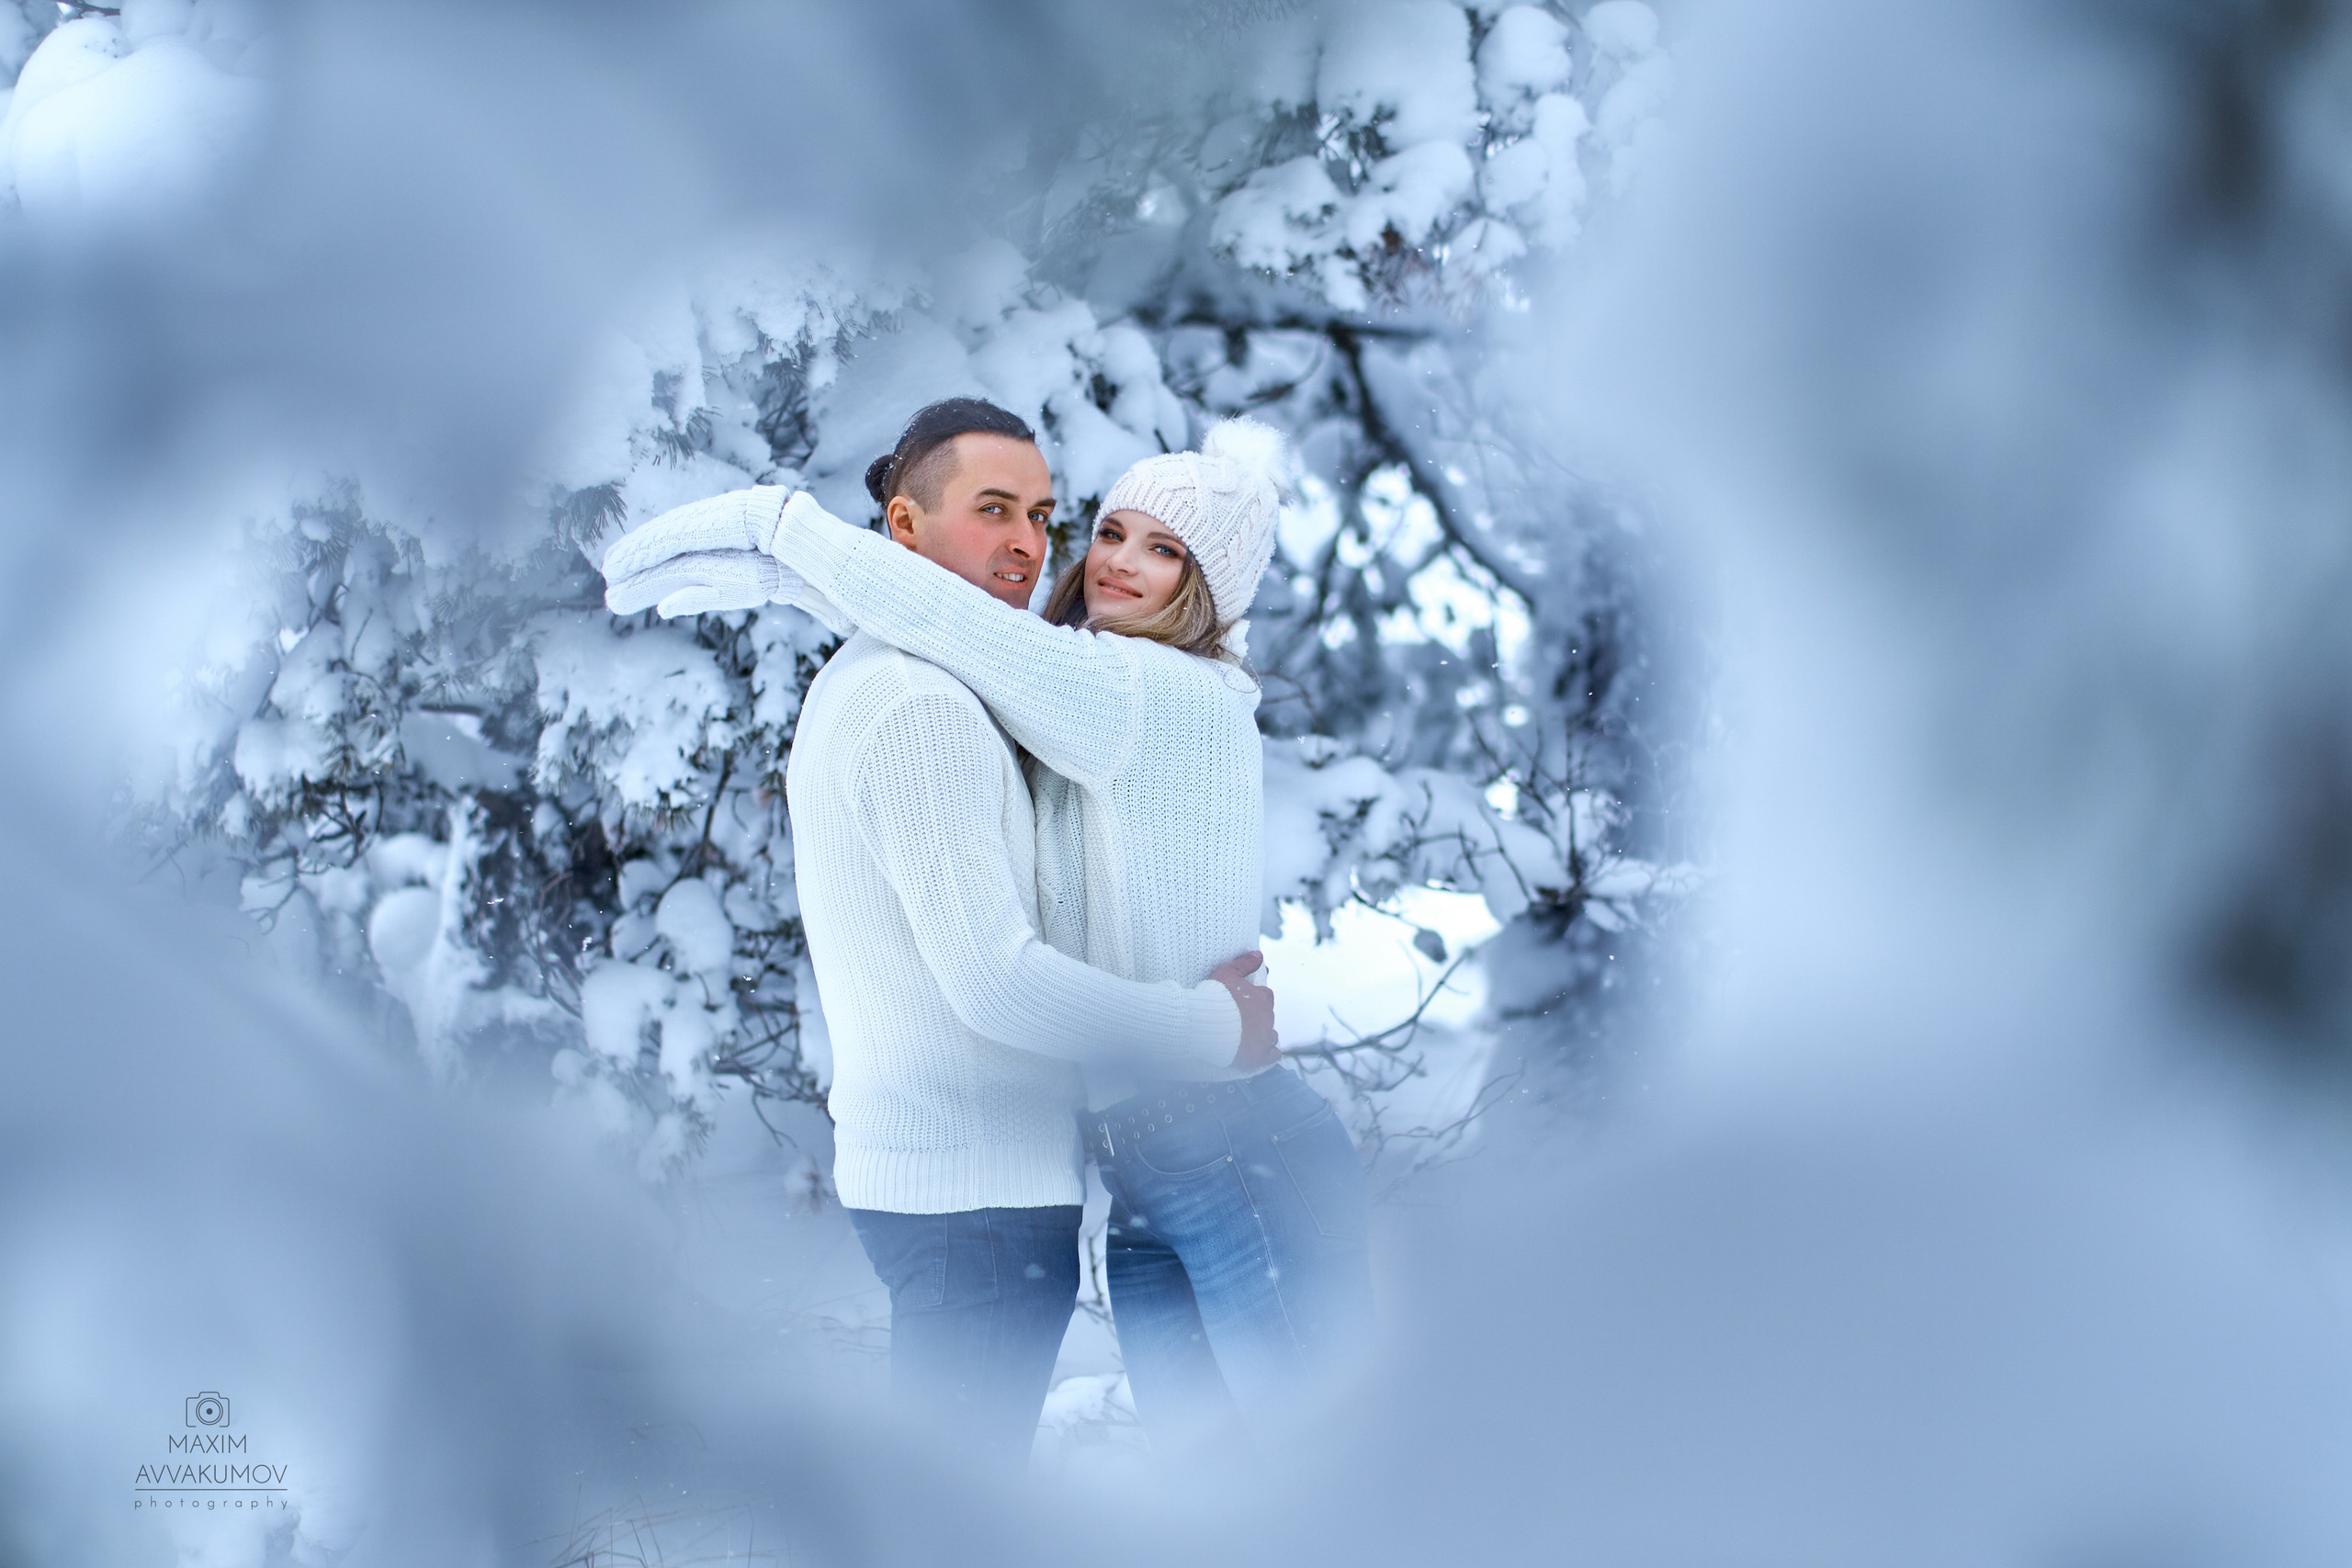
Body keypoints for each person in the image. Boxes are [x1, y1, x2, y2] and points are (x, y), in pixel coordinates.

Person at [605, 407, 1374, 1460]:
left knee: (1330, 1472)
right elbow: (947, 626)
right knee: (1215, 1484)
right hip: (1145, 1177)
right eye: (1111, 533)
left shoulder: (1153, 695)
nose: (1117, 562)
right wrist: (799, 582)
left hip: (1237, 1146)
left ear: (1208, 590)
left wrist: (782, 532)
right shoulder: (1065, 690)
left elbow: (957, 625)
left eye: (1164, 552)